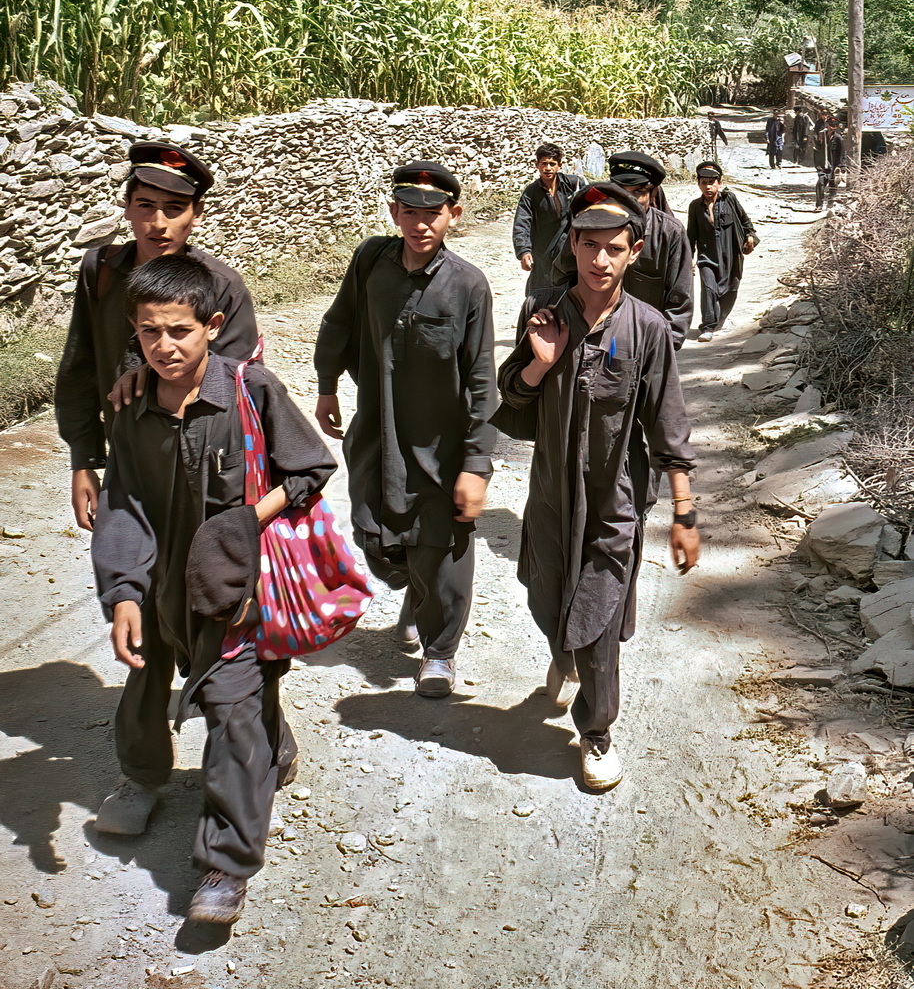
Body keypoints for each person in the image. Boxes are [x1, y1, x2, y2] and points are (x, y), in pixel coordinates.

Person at [91, 255, 336, 923]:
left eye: (180, 331)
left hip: (239, 593)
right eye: (149, 334)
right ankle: (208, 760)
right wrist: (123, 595)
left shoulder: (252, 392)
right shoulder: (136, 410)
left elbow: (312, 467)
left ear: (213, 325)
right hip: (164, 592)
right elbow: (125, 507)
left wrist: (244, 521)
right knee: (177, 691)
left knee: (232, 716)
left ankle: (225, 867)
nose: (165, 347)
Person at [495, 183, 699, 791]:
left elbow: (667, 421)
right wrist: (539, 360)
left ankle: (597, 732)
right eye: (588, 245)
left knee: (601, 618)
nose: (600, 261)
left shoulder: (648, 329)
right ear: (573, 246)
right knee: (549, 593)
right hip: (553, 496)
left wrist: (684, 511)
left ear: (634, 251)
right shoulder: (546, 313)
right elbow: (510, 399)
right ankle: (566, 654)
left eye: (613, 248)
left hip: (615, 501)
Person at [313, 161, 496, 698]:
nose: (420, 223)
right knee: (378, 539)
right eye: (409, 211)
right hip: (378, 432)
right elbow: (339, 320)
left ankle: (440, 653)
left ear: (453, 216)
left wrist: (477, 464)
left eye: (432, 213)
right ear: (393, 212)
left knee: (439, 544)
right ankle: (415, 591)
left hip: (442, 444)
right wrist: (327, 384)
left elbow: (483, 379)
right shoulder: (371, 262)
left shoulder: (468, 286)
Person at [55, 142, 258, 533]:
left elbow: (243, 383)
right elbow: (79, 368)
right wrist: (84, 461)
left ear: (196, 215)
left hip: (203, 464)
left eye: (175, 208)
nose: (159, 224)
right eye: (146, 205)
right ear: (128, 208)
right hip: (125, 462)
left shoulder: (222, 286)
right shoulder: (101, 271)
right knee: (129, 576)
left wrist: (151, 374)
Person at [607, 152, 693, 349]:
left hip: (648, 341)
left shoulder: (670, 232)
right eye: (621, 191)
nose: (629, 199)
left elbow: (681, 295)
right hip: (599, 338)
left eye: (638, 192)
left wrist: (667, 345)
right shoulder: (592, 226)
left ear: (652, 194)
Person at [686, 161, 759, 342]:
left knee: (731, 288)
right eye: (704, 182)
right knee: (709, 288)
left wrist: (750, 238)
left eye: (712, 182)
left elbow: (746, 222)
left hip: (731, 255)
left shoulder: (730, 200)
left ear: (719, 183)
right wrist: (689, 258)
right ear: (699, 184)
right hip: (707, 256)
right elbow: (691, 235)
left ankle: (720, 320)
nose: (708, 187)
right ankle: (708, 326)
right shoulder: (695, 206)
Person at [512, 143, 586, 293]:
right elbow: (522, 223)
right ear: (536, 165)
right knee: (540, 294)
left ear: (559, 166)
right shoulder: (531, 193)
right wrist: (524, 251)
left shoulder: (574, 185)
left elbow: (590, 212)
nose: (548, 168)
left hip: (570, 250)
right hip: (543, 251)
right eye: (544, 163)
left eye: (552, 164)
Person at [814, 116, 845, 210]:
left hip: (834, 166)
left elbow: (842, 152)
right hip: (824, 165)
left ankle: (830, 204)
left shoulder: (838, 138)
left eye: (834, 126)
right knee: (820, 183)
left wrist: (841, 166)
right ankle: (819, 205)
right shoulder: (821, 136)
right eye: (830, 125)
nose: (832, 127)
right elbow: (816, 150)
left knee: (833, 186)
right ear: (827, 125)